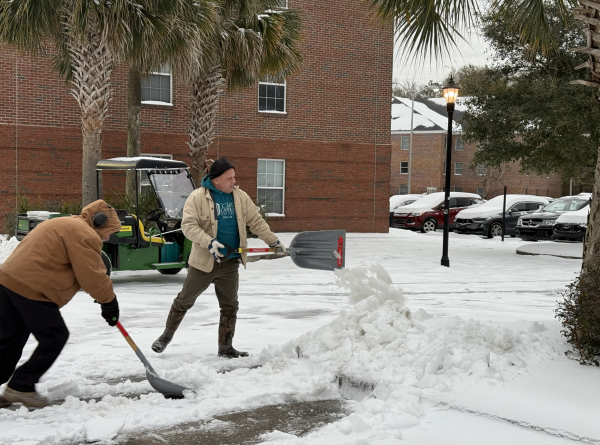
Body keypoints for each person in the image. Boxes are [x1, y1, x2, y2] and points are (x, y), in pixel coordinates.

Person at [152, 157, 286, 358]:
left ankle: (226, 348)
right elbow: (188, 226)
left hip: (230, 261)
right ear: (216, 180)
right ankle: (165, 337)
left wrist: (273, 242)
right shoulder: (197, 197)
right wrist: (209, 242)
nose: (234, 181)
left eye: (234, 177)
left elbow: (256, 221)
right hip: (204, 262)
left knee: (230, 305)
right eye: (229, 178)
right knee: (184, 300)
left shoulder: (240, 197)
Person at [0, 199, 122, 409]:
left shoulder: (64, 223)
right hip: (32, 289)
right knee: (55, 336)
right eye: (109, 230)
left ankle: (16, 388)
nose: (108, 236)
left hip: (8, 282)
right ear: (99, 222)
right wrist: (109, 303)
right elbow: (92, 276)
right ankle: (22, 385)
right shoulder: (84, 235)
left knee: (8, 342)